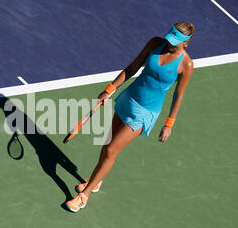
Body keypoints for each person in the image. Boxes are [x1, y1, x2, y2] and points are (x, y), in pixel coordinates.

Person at [65, 21, 195, 213]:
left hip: (145, 113)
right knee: (107, 142)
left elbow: (179, 95)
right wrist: (109, 89)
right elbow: (133, 67)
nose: (170, 43)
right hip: (128, 98)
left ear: (186, 42)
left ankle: (84, 197)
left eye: (175, 42)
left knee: (111, 150)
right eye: (169, 38)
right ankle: (96, 181)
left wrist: (169, 123)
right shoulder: (155, 44)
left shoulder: (186, 65)